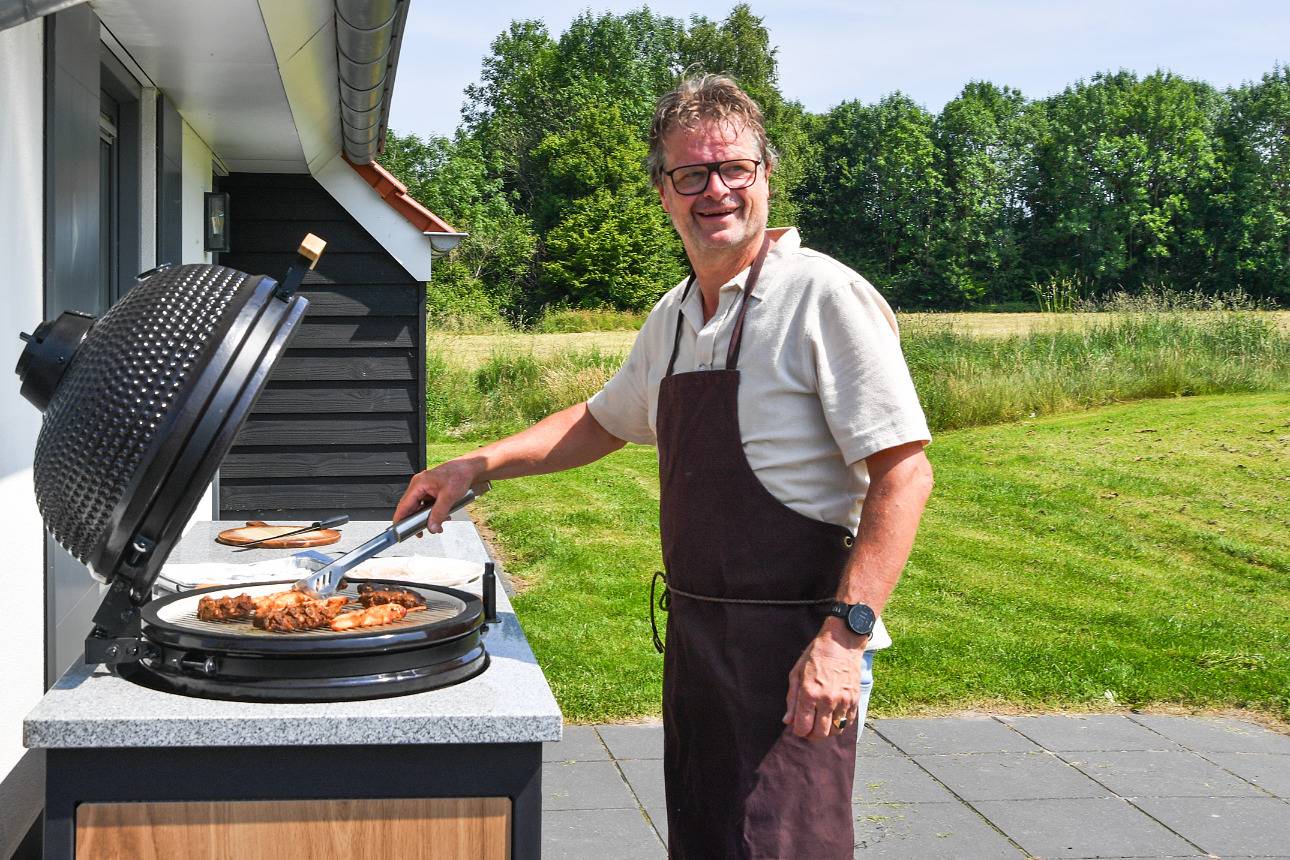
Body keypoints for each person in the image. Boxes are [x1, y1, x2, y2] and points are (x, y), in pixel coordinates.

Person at [394, 74, 934, 859]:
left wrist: (844, 642)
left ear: (765, 177)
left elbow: (903, 473)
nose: (715, 190)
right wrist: (477, 465)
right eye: (691, 174)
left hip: (798, 646)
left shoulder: (823, 296)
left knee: (785, 844)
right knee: (706, 839)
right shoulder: (675, 316)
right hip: (697, 644)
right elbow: (601, 421)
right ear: (664, 191)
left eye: (734, 169)